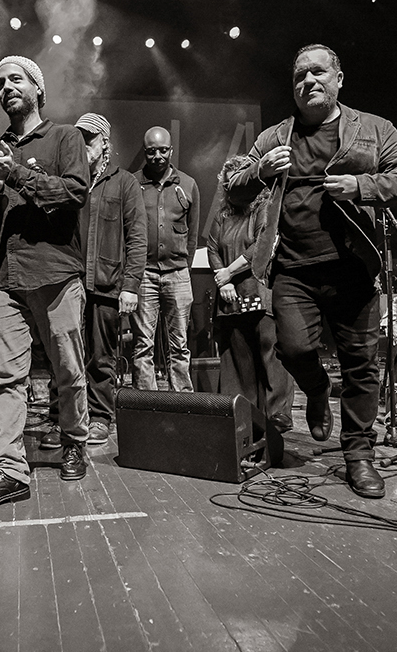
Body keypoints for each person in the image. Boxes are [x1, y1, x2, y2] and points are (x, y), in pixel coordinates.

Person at [226, 44, 397, 499]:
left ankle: (358, 456)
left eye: (318, 72)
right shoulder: (276, 136)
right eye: (299, 75)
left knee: (361, 368)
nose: (308, 81)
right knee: (293, 351)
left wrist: (362, 185)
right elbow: (233, 189)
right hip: (293, 269)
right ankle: (316, 389)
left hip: (354, 267)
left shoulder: (374, 129)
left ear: (338, 78)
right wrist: (258, 171)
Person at [0, 55, 91, 513]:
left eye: (16, 78)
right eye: (0, 82)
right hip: (3, 278)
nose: (6, 86)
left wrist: (13, 174)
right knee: (4, 378)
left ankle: (75, 439)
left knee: (69, 370)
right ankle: (10, 469)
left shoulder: (65, 137)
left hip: (54, 274)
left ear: (37, 88)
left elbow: (74, 193)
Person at [208, 154, 293, 434]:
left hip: (258, 291)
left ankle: (277, 416)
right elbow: (212, 249)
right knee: (237, 360)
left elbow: (262, 247)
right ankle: (243, 417)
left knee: (270, 354)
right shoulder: (222, 217)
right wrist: (224, 282)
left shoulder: (263, 208)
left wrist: (229, 273)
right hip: (230, 299)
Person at [75, 112, 144, 447]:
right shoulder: (71, 178)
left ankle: (100, 416)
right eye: (80, 137)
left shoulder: (124, 182)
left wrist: (130, 285)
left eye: (89, 137)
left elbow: (137, 237)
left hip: (106, 284)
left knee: (101, 356)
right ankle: (70, 416)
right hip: (71, 283)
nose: (83, 144)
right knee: (69, 354)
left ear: (104, 142)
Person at [132, 126, 200, 392]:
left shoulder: (188, 184)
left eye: (162, 150)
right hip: (144, 274)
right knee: (142, 345)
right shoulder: (133, 183)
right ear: (145, 152)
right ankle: (146, 405)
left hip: (178, 274)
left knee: (179, 345)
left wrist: (185, 267)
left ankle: (183, 400)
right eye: (151, 151)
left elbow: (193, 234)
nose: (157, 156)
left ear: (171, 150)